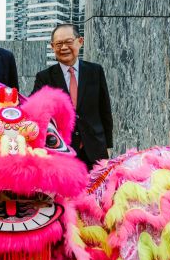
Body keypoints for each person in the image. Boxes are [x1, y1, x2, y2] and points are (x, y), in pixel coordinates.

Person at [31, 23, 112, 170]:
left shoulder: (95, 71)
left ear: (80, 42)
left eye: (68, 42)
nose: (64, 47)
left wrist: (108, 146)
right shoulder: (44, 77)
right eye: (59, 44)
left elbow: (105, 110)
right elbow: (33, 109)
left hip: (95, 148)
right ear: (52, 46)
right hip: (61, 149)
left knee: (96, 191)